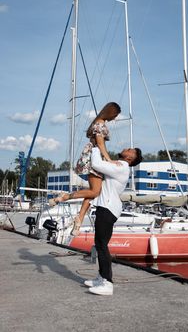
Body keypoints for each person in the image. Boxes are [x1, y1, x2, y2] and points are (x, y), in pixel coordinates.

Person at [49, 102, 121, 236]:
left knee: (93, 192)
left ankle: (79, 219)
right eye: (115, 115)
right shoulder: (100, 124)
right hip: (96, 157)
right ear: (111, 112)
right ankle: (64, 198)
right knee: (94, 192)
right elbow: (100, 143)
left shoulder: (98, 122)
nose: (115, 118)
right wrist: (109, 160)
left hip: (96, 156)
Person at [84, 145, 142, 296]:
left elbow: (96, 164)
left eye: (130, 150)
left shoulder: (122, 166)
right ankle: (101, 277)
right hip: (108, 208)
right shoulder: (118, 165)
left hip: (108, 209)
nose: (127, 148)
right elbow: (103, 164)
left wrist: (96, 148)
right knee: (100, 244)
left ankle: (107, 283)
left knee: (102, 245)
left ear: (130, 158)